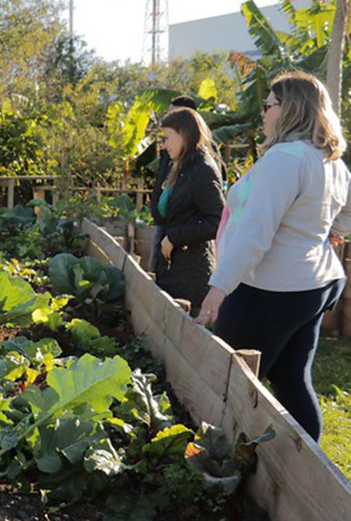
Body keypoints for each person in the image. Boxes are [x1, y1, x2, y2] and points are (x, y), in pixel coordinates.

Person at [197, 72, 351, 442]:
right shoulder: (330, 161)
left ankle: (217, 461)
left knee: (227, 380)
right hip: (314, 285)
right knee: (291, 378)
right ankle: (307, 466)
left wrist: (218, 288)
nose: (263, 112)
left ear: (290, 110)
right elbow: (345, 216)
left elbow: (254, 234)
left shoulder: (285, 159)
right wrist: (330, 232)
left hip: (271, 289)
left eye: (269, 105)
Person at [150, 108, 225, 314]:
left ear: (183, 135)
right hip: (174, 269)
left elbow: (216, 221)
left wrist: (174, 237)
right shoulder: (179, 167)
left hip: (191, 273)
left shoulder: (203, 170)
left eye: (167, 138)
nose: (164, 145)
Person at [149, 95, 198, 271]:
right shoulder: (168, 149)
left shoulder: (200, 158)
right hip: (164, 221)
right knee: (156, 268)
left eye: (173, 113)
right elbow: (162, 180)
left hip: (182, 230)